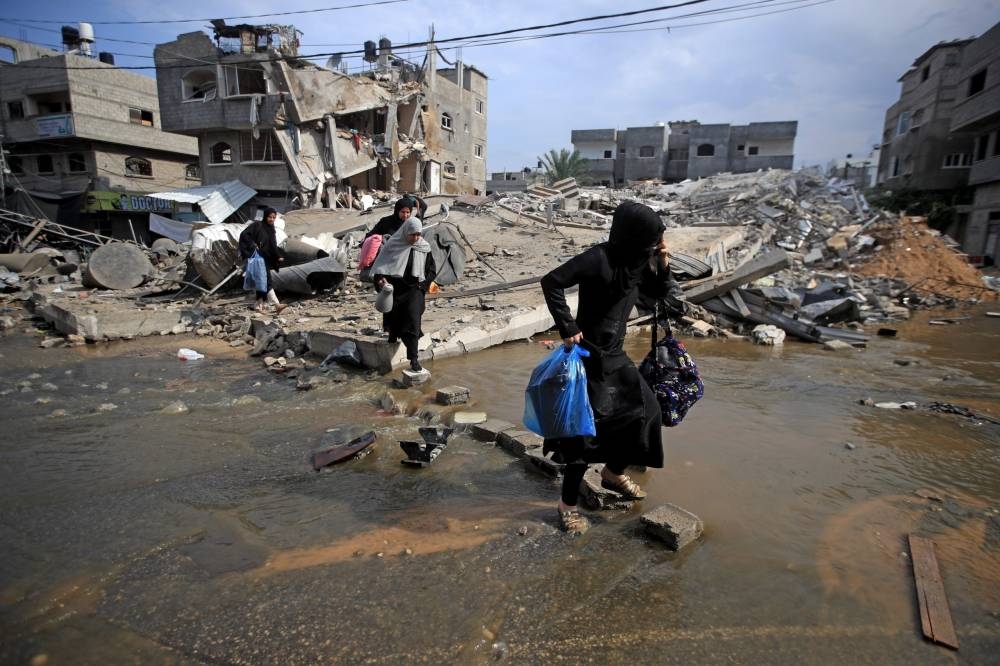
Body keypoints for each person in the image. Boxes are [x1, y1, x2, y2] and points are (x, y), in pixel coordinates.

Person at [539, 201, 688, 534]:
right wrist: (567, 326)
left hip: (615, 355)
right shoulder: (598, 258)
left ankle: (613, 472)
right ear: (633, 236)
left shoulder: (637, 262)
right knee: (584, 433)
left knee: (647, 411)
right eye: (651, 241)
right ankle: (567, 506)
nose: (653, 246)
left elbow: (658, 295)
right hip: (587, 357)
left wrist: (663, 262)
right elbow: (552, 282)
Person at [370, 218, 437, 371]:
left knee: (413, 320)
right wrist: (381, 280)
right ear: (405, 232)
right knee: (394, 318)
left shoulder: (424, 247)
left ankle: (413, 359)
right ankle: (393, 335)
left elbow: (431, 270)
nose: (416, 238)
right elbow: (381, 267)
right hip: (395, 290)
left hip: (415, 289)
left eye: (418, 234)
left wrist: (423, 285)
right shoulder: (393, 245)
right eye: (412, 235)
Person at [238, 208, 287, 314]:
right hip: (257, 258)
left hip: (265, 258)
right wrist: (252, 245)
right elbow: (244, 235)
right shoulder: (257, 225)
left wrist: (277, 256)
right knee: (266, 280)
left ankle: (258, 305)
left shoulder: (271, 229)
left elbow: (272, 245)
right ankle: (277, 304)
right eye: (270, 217)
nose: (272, 219)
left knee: (261, 281)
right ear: (265, 216)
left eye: (274, 217)